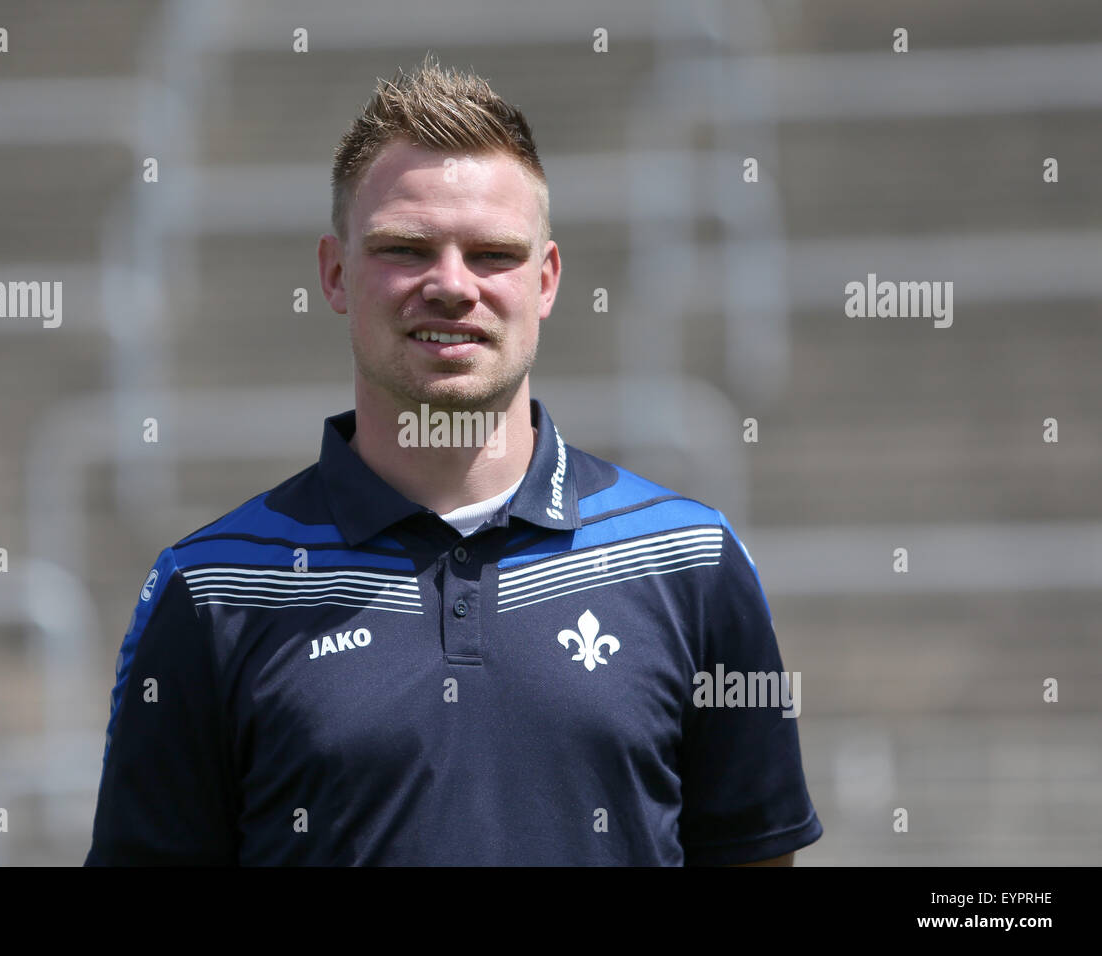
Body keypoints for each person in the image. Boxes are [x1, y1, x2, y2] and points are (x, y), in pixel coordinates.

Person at [85, 53, 821, 866]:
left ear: (545, 281)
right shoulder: (211, 590)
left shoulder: (692, 563)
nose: (451, 286)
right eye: (405, 249)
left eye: (493, 255)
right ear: (334, 273)